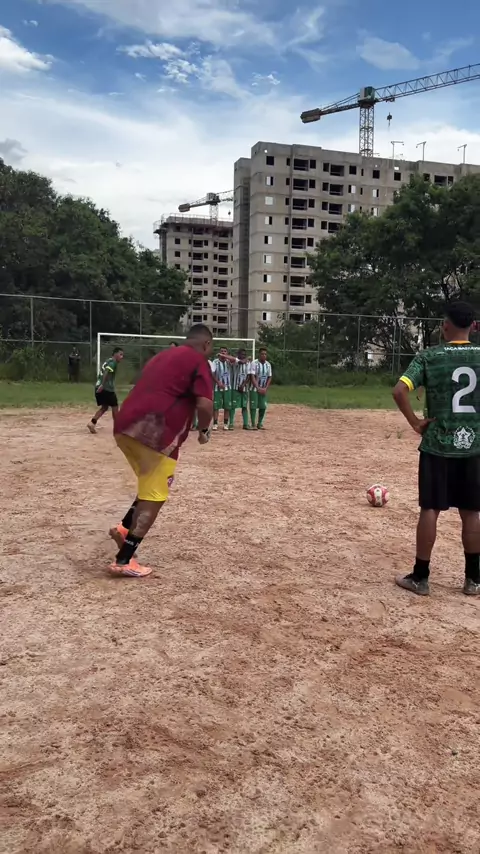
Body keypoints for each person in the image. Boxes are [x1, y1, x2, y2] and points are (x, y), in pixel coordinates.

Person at [108, 324, 214, 577]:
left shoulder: (162, 356)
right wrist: (204, 429)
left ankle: (124, 529)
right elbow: (205, 404)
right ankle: (124, 560)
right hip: (155, 433)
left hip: (125, 426)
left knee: (150, 484)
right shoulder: (198, 361)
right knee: (156, 495)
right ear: (206, 344)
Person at [393, 300, 480, 597]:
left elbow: (399, 390)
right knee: (471, 511)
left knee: (430, 508)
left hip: (438, 445)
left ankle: (420, 577)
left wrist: (415, 423)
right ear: (473, 326)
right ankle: (473, 579)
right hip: (474, 446)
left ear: (445, 326)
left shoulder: (430, 357)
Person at [88, 347, 124, 434]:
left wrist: (100, 385)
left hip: (98, 387)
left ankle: (92, 423)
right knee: (115, 407)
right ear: (115, 354)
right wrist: (103, 385)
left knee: (104, 407)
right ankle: (118, 428)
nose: (122, 357)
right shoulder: (113, 362)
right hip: (106, 389)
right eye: (120, 354)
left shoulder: (108, 361)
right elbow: (106, 372)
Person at [249, 348, 273, 430]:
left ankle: (260, 423)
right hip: (254, 389)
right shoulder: (254, 363)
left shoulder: (268, 364)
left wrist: (265, 388)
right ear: (259, 354)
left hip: (263, 389)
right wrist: (257, 387)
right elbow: (252, 376)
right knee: (253, 406)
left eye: (265, 354)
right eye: (262, 354)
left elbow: (270, 377)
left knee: (263, 406)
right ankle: (253, 424)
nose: (264, 355)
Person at [230, 348, 252, 430]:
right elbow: (241, 362)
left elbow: (249, 375)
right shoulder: (235, 361)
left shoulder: (248, 363)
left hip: (244, 388)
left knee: (244, 406)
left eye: (244, 354)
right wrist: (247, 358)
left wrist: (243, 385)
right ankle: (231, 423)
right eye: (242, 354)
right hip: (235, 387)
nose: (243, 356)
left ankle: (245, 424)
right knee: (233, 406)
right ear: (238, 354)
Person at [212, 347, 233, 431]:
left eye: (225, 351)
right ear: (219, 352)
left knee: (227, 406)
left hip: (227, 387)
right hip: (217, 387)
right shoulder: (215, 362)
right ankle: (215, 423)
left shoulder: (229, 361)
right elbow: (212, 373)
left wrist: (226, 356)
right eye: (221, 351)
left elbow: (234, 360)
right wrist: (218, 382)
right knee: (216, 406)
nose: (223, 353)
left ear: (227, 353)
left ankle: (225, 423)